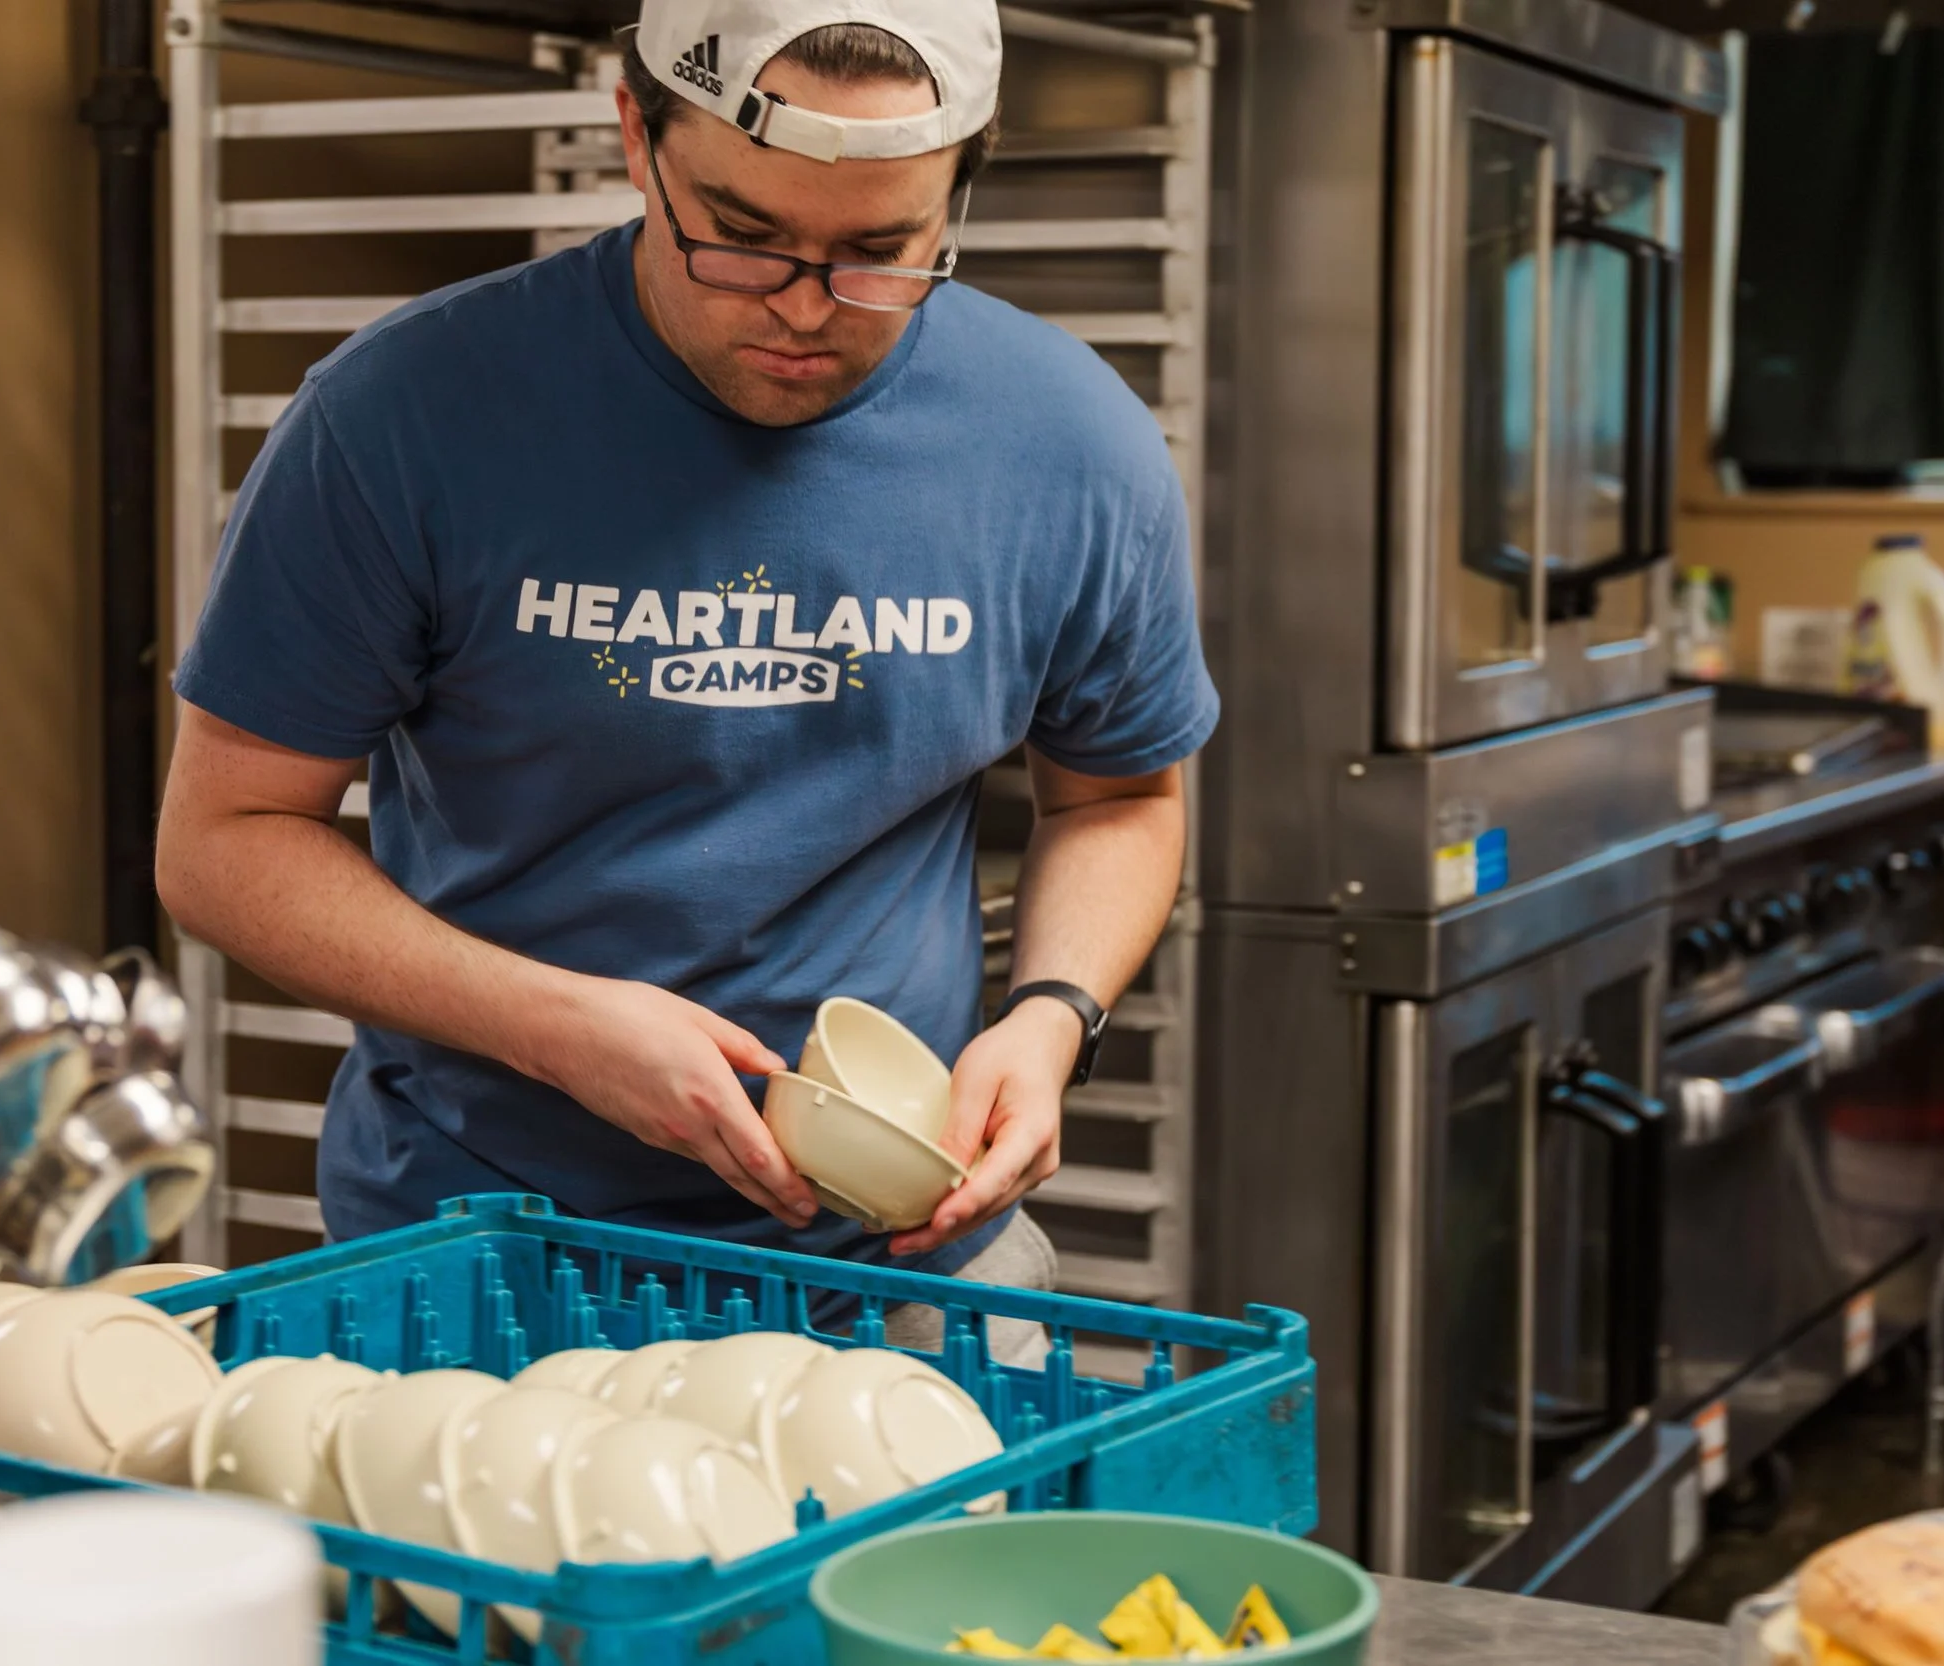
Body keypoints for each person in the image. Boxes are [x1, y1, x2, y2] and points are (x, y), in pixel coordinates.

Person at [156, 0, 1216, 1355]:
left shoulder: (1072, 442)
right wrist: (555, 1027)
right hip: (479, 1259)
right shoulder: (403, 418)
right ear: (635, 136)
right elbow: (225, 841)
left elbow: (1119, 798)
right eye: (744, 235)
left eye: (880, 252)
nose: (803, 307)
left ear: (963, 183)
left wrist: (1053, 1020)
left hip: (900, 1278)